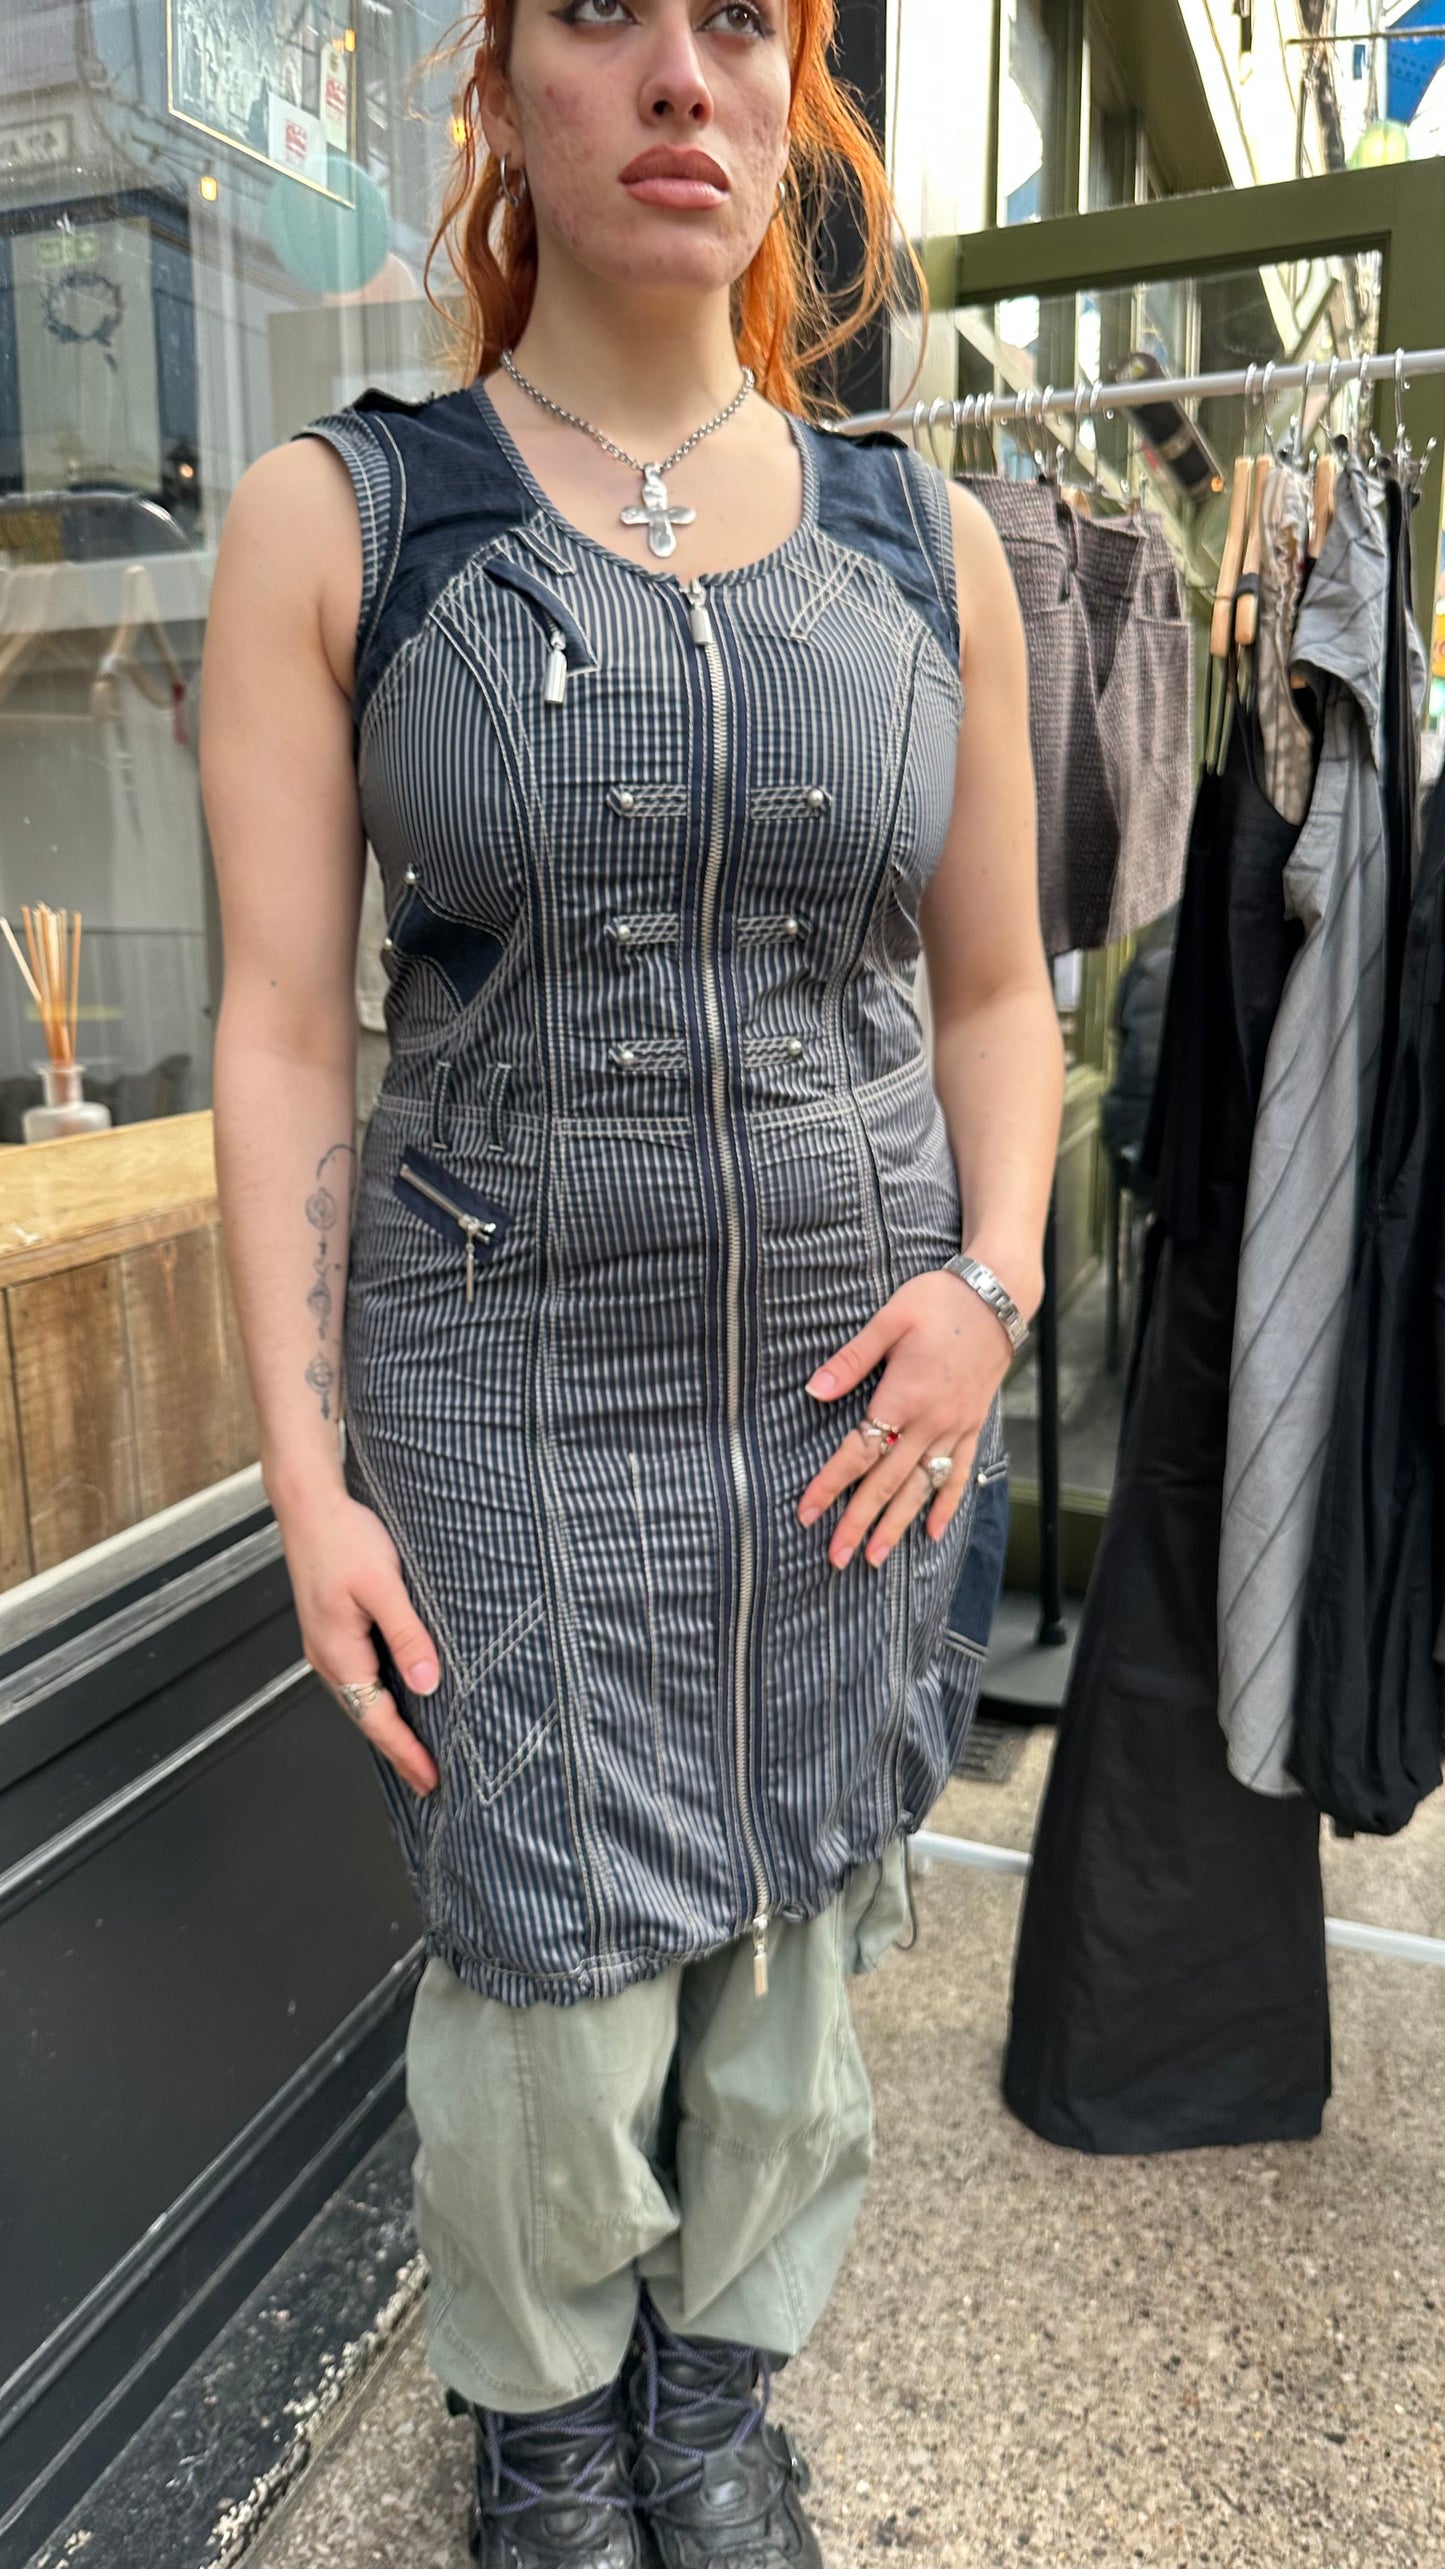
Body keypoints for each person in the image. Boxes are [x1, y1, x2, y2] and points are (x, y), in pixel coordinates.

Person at [200, 2, 1062, 2560]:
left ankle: (711, 2413)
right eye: (601, 13)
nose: (679, 78)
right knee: (546, 1999)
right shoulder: (352, 520)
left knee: (790, 1969)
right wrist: (305, 1484)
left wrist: (995, 1286)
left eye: (737, 23)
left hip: (852, 1392)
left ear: (798, 90)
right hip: (497, 1396)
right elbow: (279, 1032)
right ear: (497, 86)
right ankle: (552, 2449)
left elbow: (998, 993)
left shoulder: (927, 545)